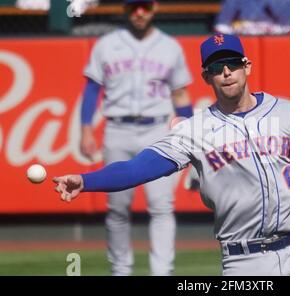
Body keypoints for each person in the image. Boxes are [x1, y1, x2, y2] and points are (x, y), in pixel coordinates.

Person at [56, 33, 290, 276]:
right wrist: (86, 180)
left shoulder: (288, 113)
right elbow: (139, 168)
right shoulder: (195, 130)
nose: (227, 72)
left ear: (247, 66)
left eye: (233, 63)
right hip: (243, 260)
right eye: (217, 68)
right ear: (207, 77)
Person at [79, 0, 193, 276]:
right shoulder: (107, 44)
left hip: (157, 129)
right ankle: (120, 271)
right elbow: (92, 89)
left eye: (144, 6)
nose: (139, 12)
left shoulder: (170, 47)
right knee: (117, 207)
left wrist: (190, 134)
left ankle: (162, 272)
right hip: (117, 129)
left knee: (162, 206)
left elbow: (180, 95)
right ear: (125, 10)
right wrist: (85, 129)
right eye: (133, 7)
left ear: (153, 8)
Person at [214, 0, 290, 36]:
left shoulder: (284, 2)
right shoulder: (233, 1)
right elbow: (221, 29)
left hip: (276, 47)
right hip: (240, 46)